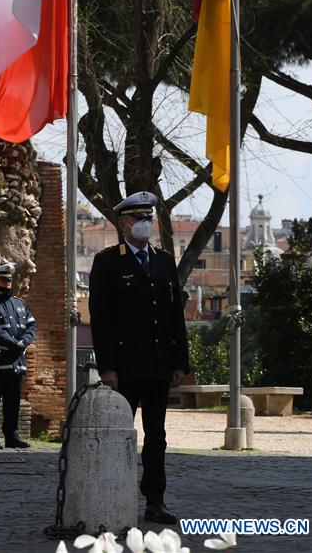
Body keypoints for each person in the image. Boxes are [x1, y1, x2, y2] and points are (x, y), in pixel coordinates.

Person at [88, 191, 190, 525]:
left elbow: (175, 315)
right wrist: (107, 366)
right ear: (123, 223)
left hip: (159, 364)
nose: (145, 224)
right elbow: (101, 319)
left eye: (148, 218)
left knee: (156, 437)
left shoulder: (162, 260)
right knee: (119, 434)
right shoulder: (107, 263)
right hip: (125, 367)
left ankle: (155, 501)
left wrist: (179, 362)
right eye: (138, 218)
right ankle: (112, 495)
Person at [0, 262, 37, 450]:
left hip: (16, 360)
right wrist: (13, 343)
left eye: (10, 280)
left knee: (13, 401)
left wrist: (24, 342)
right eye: (4, 280)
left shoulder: (20, 304)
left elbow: (31, 326)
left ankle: (12, 436)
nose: (8, 283)